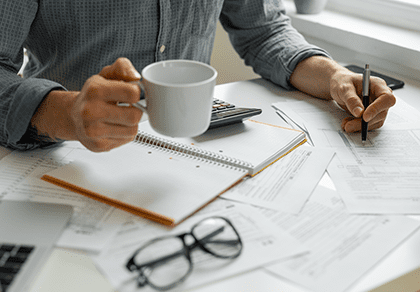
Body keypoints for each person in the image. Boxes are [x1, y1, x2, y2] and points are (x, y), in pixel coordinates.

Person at [0, 0, 395, 153]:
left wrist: (334, 78)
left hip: (198, 157)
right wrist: (68, 113)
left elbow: (264, 30)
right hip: (64, 156)